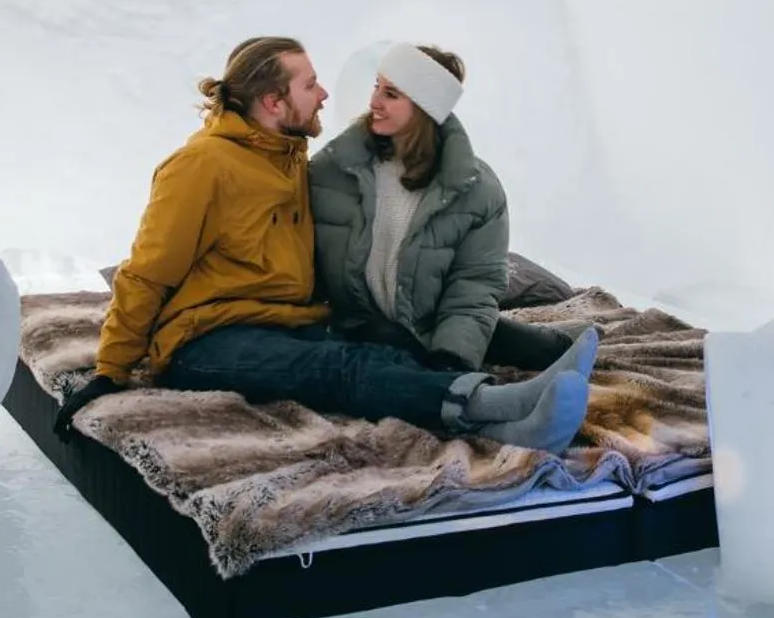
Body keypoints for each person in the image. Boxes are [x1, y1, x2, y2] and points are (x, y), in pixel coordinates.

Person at [53, 37, 595, 454]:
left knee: (380, 348)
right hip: (206, 338)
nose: (328, 94)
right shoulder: (202, 166)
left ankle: (528, 375)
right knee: (343, 368)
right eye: (310, 84)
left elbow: (460, 279)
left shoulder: (286, 153)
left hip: (284, 319)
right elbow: (148, 271)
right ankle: (490, 404)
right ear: (272, 101)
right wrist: (110, 369)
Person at [309, 42, 587, 373]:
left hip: (436, 319)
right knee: (394, 341)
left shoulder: (476, 188)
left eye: (392, 94)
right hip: (363, 324)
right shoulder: (333, 169)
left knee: (516, 343)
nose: (374, 102)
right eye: (376, 87)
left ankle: (562, 344)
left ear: (426, 108)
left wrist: (451, 358)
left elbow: (475, 282)